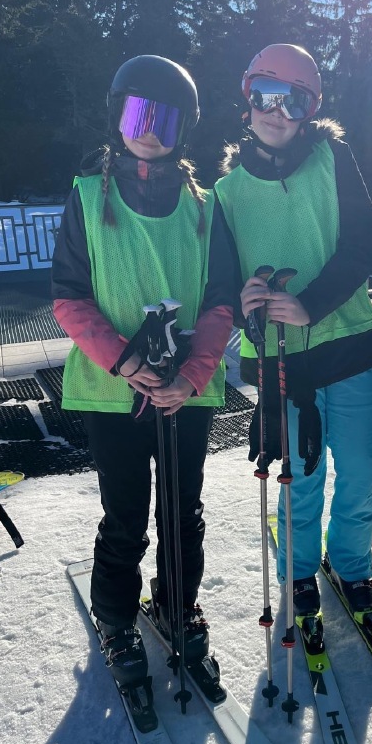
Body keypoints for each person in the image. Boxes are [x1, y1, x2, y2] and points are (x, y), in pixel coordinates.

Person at [52, 55, 236, 687]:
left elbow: (220, 300)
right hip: (115, 390)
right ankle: (116, 618)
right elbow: (70, 296)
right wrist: (123, 359)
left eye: (166, 118)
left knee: (182, 511)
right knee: (125, 513)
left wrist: (194, 373)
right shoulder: (88, 196)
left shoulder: (204, 207)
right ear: (118, 117)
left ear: (185, 128)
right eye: (138, 115)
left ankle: (177, 605)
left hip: (185, 390)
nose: (150, 130)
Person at [215, 43, 372, 640]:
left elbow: (364, 242)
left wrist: (310, 302)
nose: (277, 111)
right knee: (301, 476)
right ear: (247, 100)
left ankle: (351, 566)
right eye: (266, 95)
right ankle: (299, 570)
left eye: (294, 101)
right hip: (281, 358)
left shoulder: (333, 159)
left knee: (360, 470)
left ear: (310, 109)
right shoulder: (227, 192)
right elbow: (221, 280)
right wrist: (242, 299)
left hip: (348, 343)